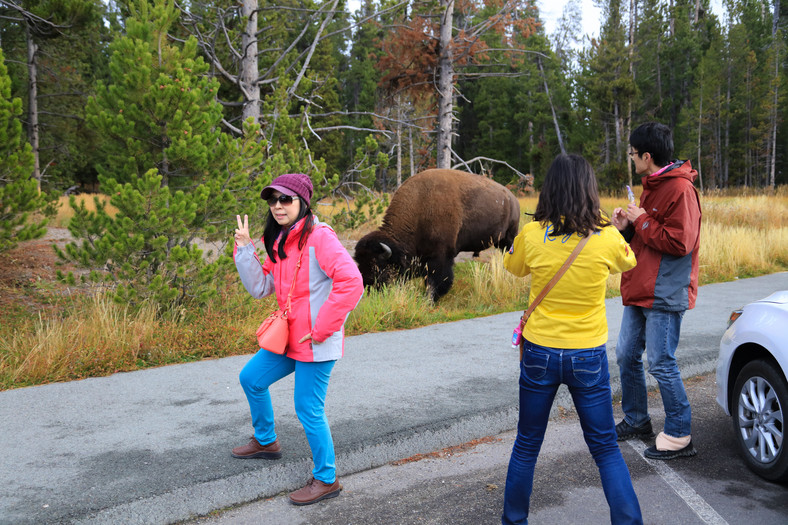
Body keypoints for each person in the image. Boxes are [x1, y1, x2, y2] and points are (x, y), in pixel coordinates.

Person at [502, 154, 642, 525]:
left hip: (538, 352)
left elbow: (512, 266)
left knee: (527, 445)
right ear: (589, 190)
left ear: (550, 190)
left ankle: (513, 521)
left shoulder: (533, 235)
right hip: (587, 355)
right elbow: (628, 261)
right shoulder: (607, 237)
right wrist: (622, 227)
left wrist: (523, 236)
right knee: (606, 449)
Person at [232, 173, 364, 505]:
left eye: (285, 199)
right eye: (272, 200)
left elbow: (352, 282)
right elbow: (261, 287)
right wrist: (246, 249)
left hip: (317, 341)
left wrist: (323, 329)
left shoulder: (321, 238)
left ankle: (327, 478)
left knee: (307, 409)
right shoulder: (278, 240)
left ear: (302, 203)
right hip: (288, 338)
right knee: (251, 379)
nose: (278, 206)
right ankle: (266, 441)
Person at [611, 122, 702, 460]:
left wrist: (643, 219)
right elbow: (647, 238)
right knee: (626, 354)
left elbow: (681, 242)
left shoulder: (680, 189)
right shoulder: (654, 184)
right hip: (641, 286)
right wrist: (627, 228)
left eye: (634, 154)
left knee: (661, 362)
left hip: (665, 290)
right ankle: (637, 419)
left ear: (647, 156)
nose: (632, 160)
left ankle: (680, 434)